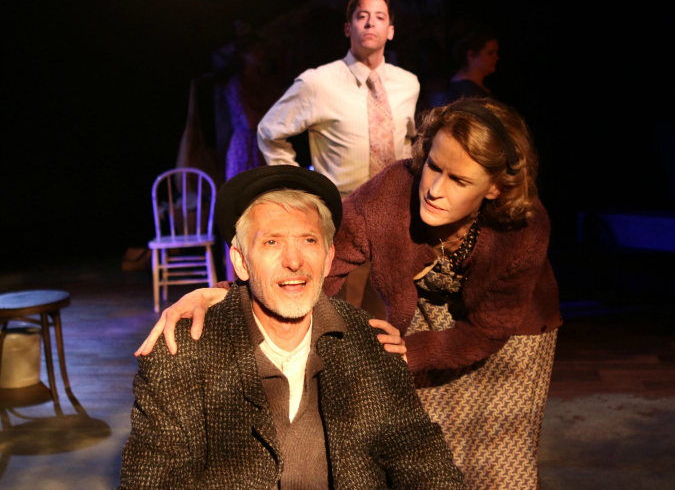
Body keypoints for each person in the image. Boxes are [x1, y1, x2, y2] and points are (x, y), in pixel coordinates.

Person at [137, 98, 562, 488]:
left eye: (459, 180)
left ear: (494, 188)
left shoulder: (523, 228)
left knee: (499, 457)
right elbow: (318, 261)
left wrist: (416, 352)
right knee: (425, 441)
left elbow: (489, 329)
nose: (435, 189)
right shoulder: (392, 192)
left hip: (510, 337)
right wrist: (229, 291)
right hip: (429, 316)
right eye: (434, 166)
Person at [120, 166, 465, 489]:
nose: (295, 260)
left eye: (308, 240)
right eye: (272, 242)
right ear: (241, 261)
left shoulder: (372, 346)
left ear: (329, 258)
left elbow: (425, 464)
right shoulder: (181, 357)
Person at [258, 0, 419, 198]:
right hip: (343, 210)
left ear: (391, 31)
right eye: (362, 16)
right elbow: (269, 132)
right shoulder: (317, 82)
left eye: (380, 17)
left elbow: (407, 141)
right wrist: (298, 188)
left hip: (395, 205)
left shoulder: (408, 83)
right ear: (348, 28)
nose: (370, 23)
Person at [224, 33, 280, 181]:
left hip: (268, 143)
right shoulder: (238, 83)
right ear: (243, 55)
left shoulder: (266, 82)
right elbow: (250, 121)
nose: (260, 54)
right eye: (255, 50)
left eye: (261, 49)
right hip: (247, 146)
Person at [446, 25, 499, 102]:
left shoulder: (471, 87)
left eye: (496, 52)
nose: (496, 58)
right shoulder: (467, 92)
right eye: (490, 53)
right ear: (471, 55)